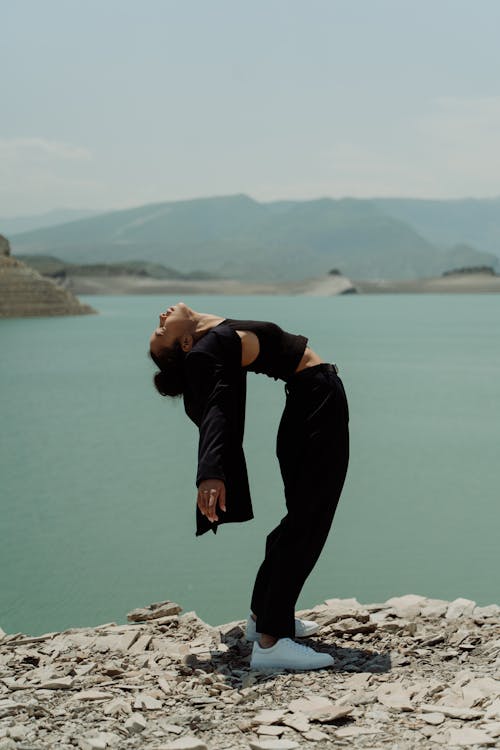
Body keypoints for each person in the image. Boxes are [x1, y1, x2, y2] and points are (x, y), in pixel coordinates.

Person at [149, 302, 349, 670]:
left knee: (302, 517)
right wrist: (210, 471)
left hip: (308, 404)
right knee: (310, 519)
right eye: (162, 330)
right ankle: (273, 645)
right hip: (316, 406)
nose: (162, 317)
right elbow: (217, 407)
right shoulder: (211, 348)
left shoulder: (214, 335)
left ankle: (263, 621)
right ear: (186, 344)